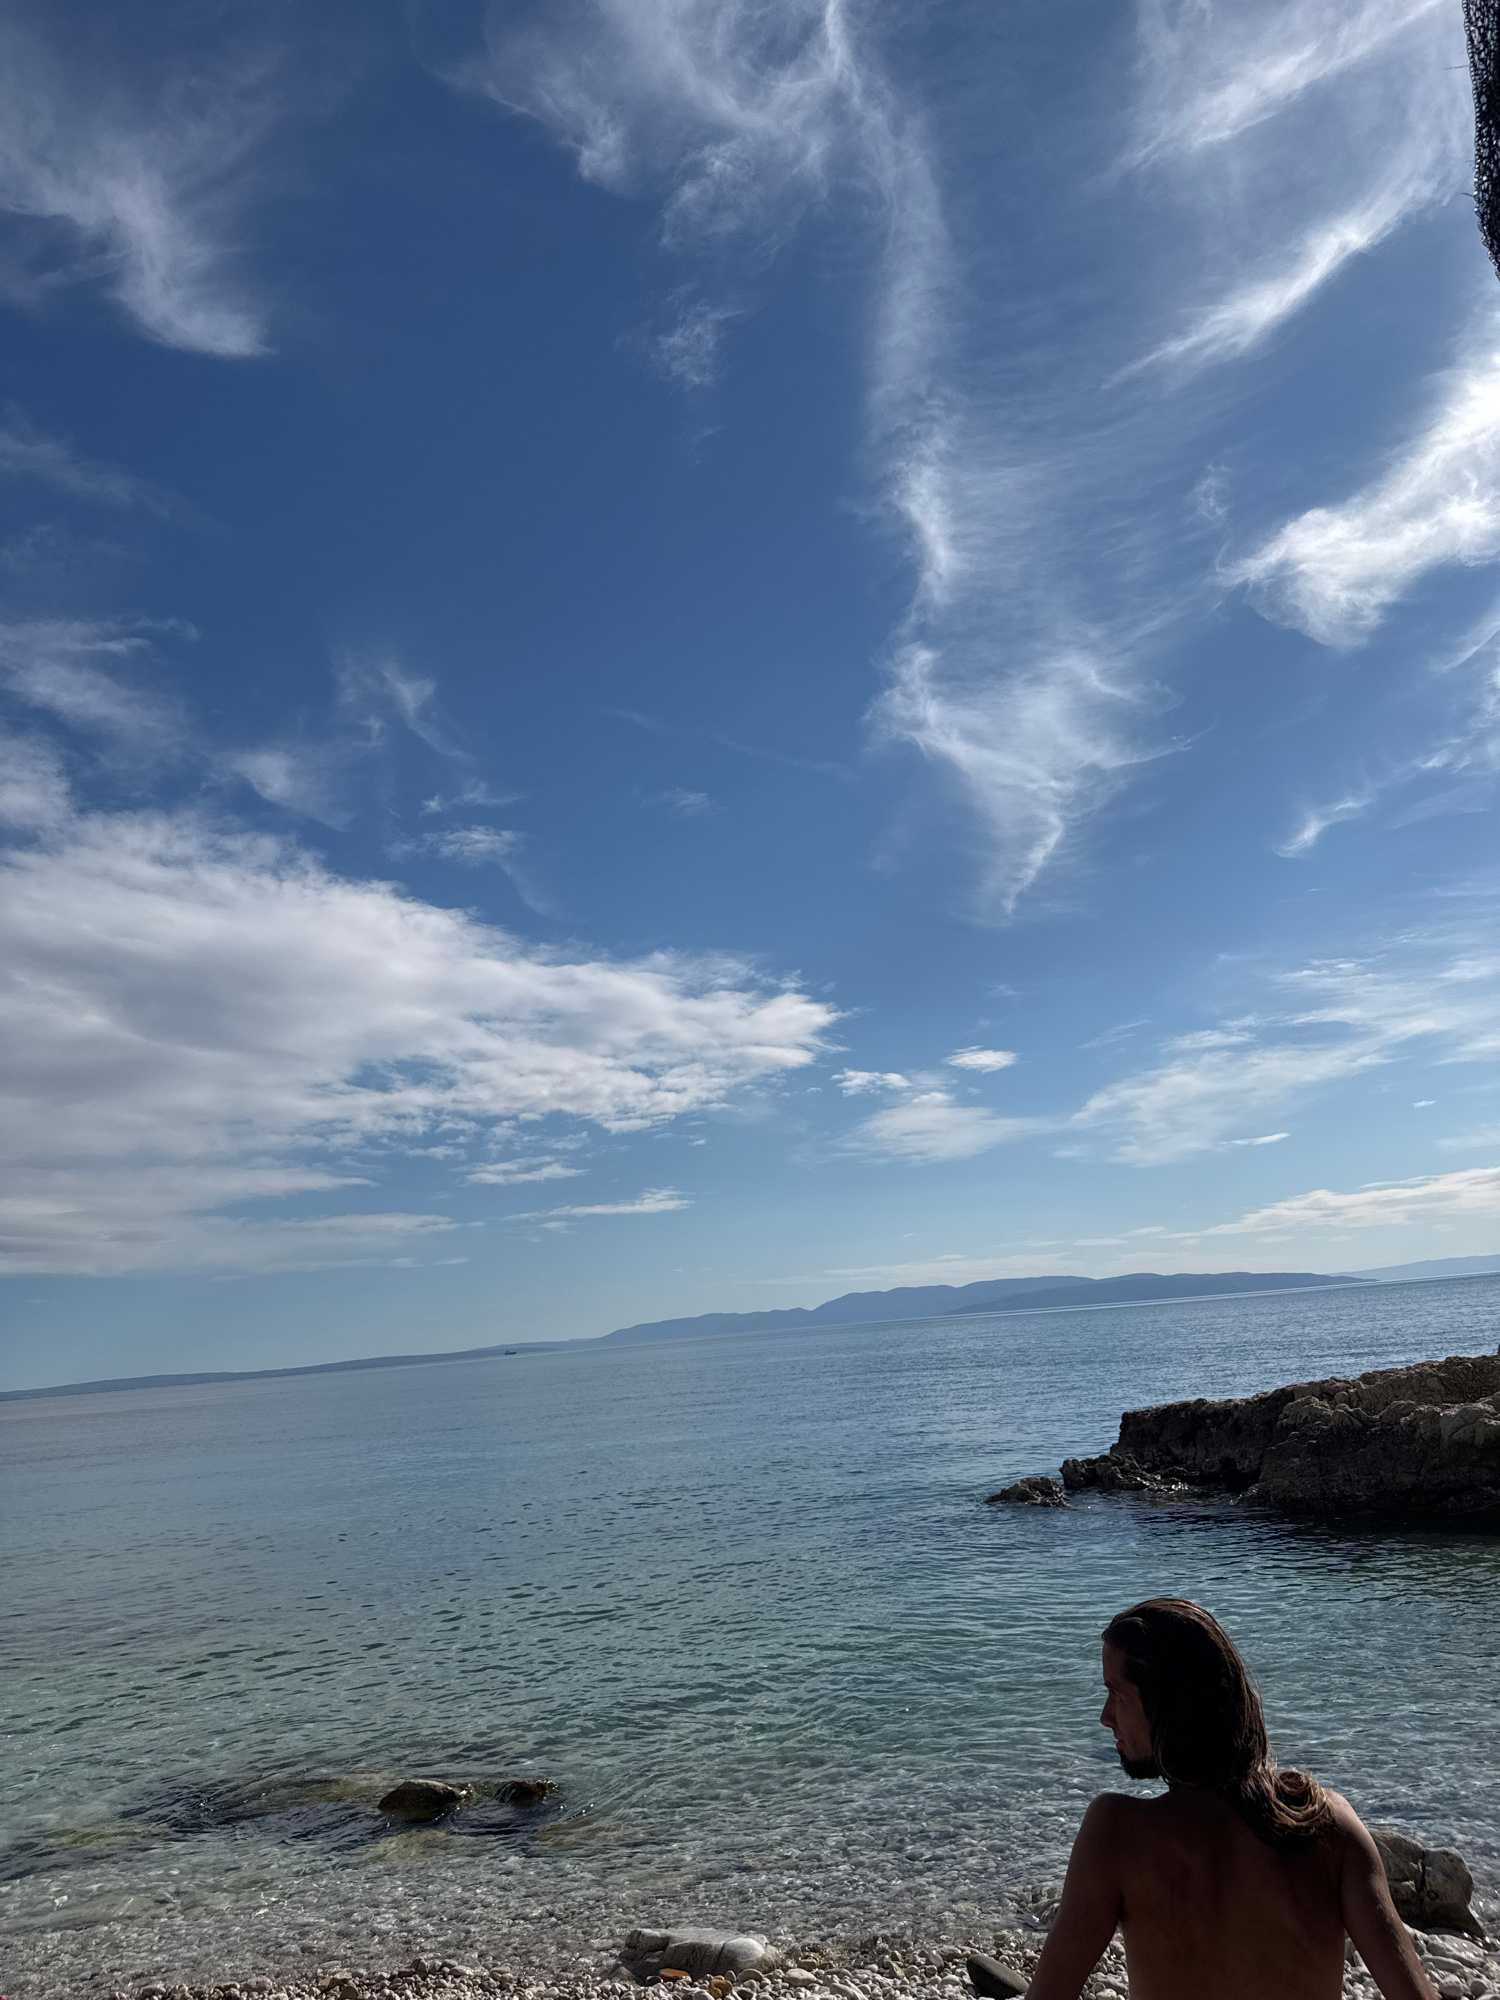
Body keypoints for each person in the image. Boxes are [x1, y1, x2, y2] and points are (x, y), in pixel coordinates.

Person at [967, 1598, 1440, 2000]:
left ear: (1168, 1704)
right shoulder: (1326, 1823)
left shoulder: (1116, 1833)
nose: (1105, 1717)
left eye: (1117, 1694)